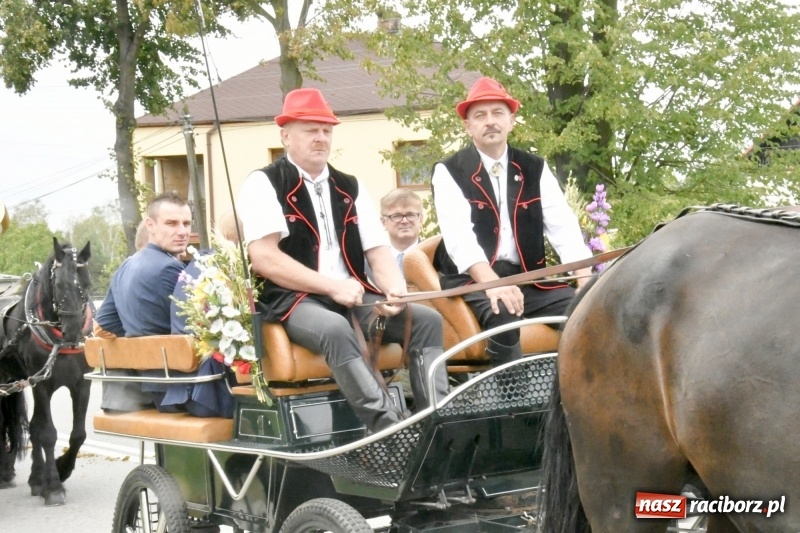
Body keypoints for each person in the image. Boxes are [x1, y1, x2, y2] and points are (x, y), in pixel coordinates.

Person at [237, 88, 449, 433]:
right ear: (285, 135)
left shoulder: (350, 186)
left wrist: (394, 290)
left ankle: (437, 425)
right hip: (293, 300)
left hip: (353, 295)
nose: (321, 137)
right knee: (335, 328)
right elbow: (264, 258)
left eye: (326, 130)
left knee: (426, 320)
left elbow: (378, 252)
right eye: (311, 130)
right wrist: (332, 287)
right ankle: (388, 429)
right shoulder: (264, 183)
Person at [431, 77, 592, 367]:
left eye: (498, 113)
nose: (490, 121)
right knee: (503, 310)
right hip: (474, 281)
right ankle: (511, 394)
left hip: (528, 278)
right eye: (480, 115)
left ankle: (573, 391)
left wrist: (584, 280)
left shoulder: (534, 167)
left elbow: (564, 228)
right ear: (468, 126)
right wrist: (493, 284)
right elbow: (459, 240)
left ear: (511, 121)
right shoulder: (449, 171)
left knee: (588, 310)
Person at [95, 191, 193, 412]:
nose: (182, 231)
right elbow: (193, 327)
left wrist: (137, 331)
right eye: (171, 223)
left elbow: (105, 323)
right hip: (177, 388)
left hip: (146, 386)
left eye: (186, 223)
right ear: (150, 225)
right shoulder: (172, 268)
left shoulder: (125, 266)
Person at [379, 188, 424, 275]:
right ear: (383, 222)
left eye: (411, 215)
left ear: (421, 220)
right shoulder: (372, 261)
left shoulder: (435, 257)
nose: (405, 221)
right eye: (396, 216)